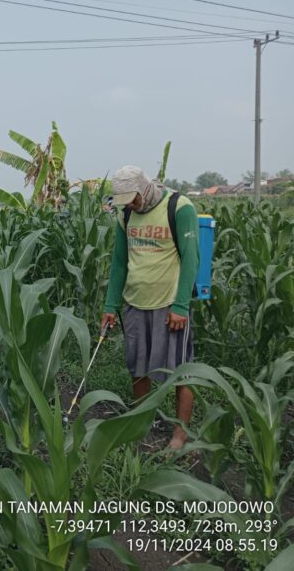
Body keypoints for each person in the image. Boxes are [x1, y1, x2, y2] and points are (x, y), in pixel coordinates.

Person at [101, 166, 199, 451]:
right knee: (138, 368)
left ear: (144, 189)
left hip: (169, 305)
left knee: (180, 372)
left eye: (133, 198)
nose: (131, 204)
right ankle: (142, 422)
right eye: (125, 201)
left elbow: (192, 259)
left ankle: (180, 435)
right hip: (135, 302)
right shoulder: (126, 214)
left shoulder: (180, 208)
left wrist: (181, 305)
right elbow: (119, 262)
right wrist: (110, 304)